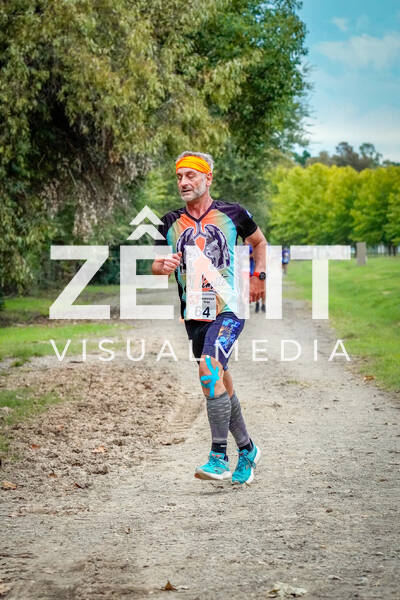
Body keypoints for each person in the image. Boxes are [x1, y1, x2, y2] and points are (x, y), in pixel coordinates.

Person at [152, 151, 267, 485]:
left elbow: (259, 242)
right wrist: (164, 266)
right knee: (219, 382)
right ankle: (248, 449)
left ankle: (219, 457)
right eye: (179, 177)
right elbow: (157, 265)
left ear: (208, 178)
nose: (183, 182)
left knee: (209, 369)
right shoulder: (168, 222)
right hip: (195, 313)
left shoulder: (233, 213)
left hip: (230, 305)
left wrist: (259, 276)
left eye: (191, 175)